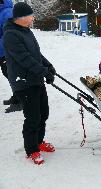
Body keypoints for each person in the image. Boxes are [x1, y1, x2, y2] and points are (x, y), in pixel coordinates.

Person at [3, 2, 56, 165]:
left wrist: (48, 66)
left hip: (35, 79)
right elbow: (24, 59)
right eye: (31, 15)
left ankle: (39, 141)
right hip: (24, 82)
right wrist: (43, 72)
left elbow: (36, 54)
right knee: (32, 117)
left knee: (43, 113)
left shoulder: (26, 31)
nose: (33, 18)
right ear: (22, 17)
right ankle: (32, 150)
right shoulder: (11, 35)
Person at [0, 0, 22, 113]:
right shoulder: (2, 11)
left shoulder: (7, 12)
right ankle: (16, 96)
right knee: (8, 73)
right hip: (3, 51)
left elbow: (11, 34)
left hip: (8, 51)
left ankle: (20, 101)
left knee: (12, 74)